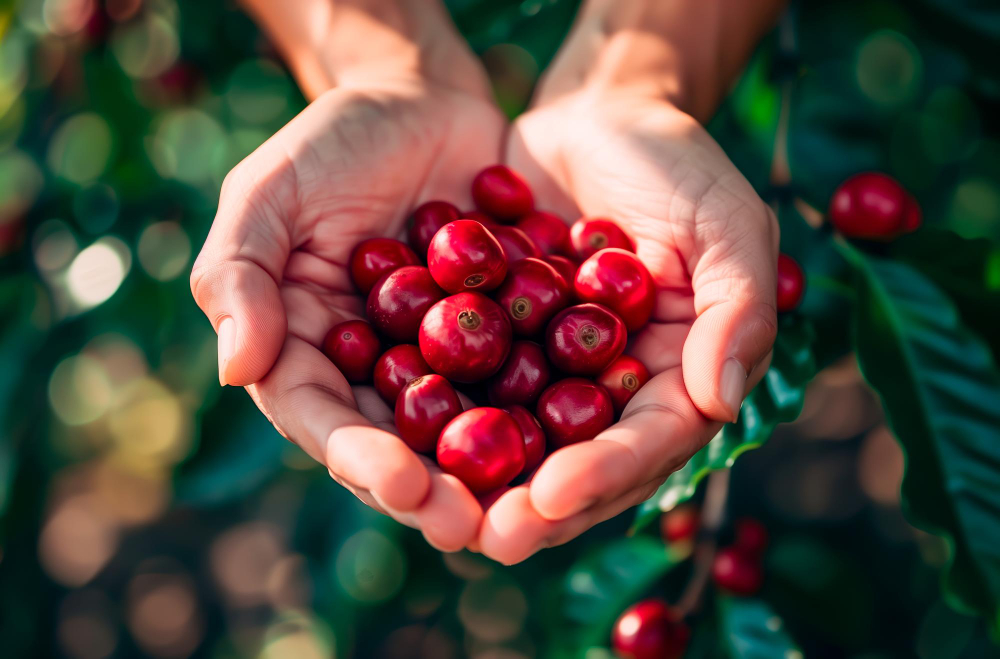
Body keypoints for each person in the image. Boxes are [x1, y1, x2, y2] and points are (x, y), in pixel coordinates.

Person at [190, 0, 784, 564]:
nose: (472, 315)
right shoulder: (466, 303)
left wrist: (630, 87)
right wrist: (388, 70)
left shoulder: (517, 296)